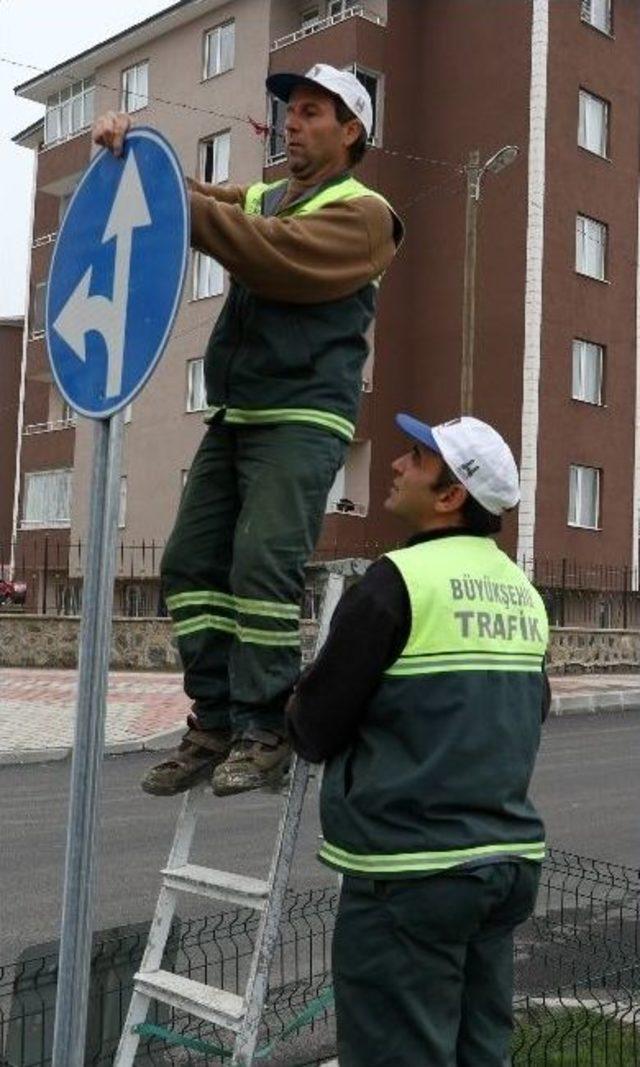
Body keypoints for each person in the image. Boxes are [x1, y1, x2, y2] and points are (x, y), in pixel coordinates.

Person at [93, 64, 403, 797]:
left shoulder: (365, 213)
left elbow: (268, 257)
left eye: (310, 111)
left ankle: (267, 727)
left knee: (261, 563)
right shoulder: (269, 195)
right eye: (288, 110)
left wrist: (167, 197)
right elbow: (205, 198)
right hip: (238, 412)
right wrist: (135, 152)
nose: (290, 122)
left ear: (350, 130)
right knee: (190, 562)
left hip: (301, 415)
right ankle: (216, 720)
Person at [286, 413, 550, 1067]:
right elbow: (527, 709)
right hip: (504, 864)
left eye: (415, 458)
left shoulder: (396, 581)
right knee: (479, 1051)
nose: (398, 465)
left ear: (450, 495)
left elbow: (314, 728)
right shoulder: (523, 591)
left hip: (412, 875)